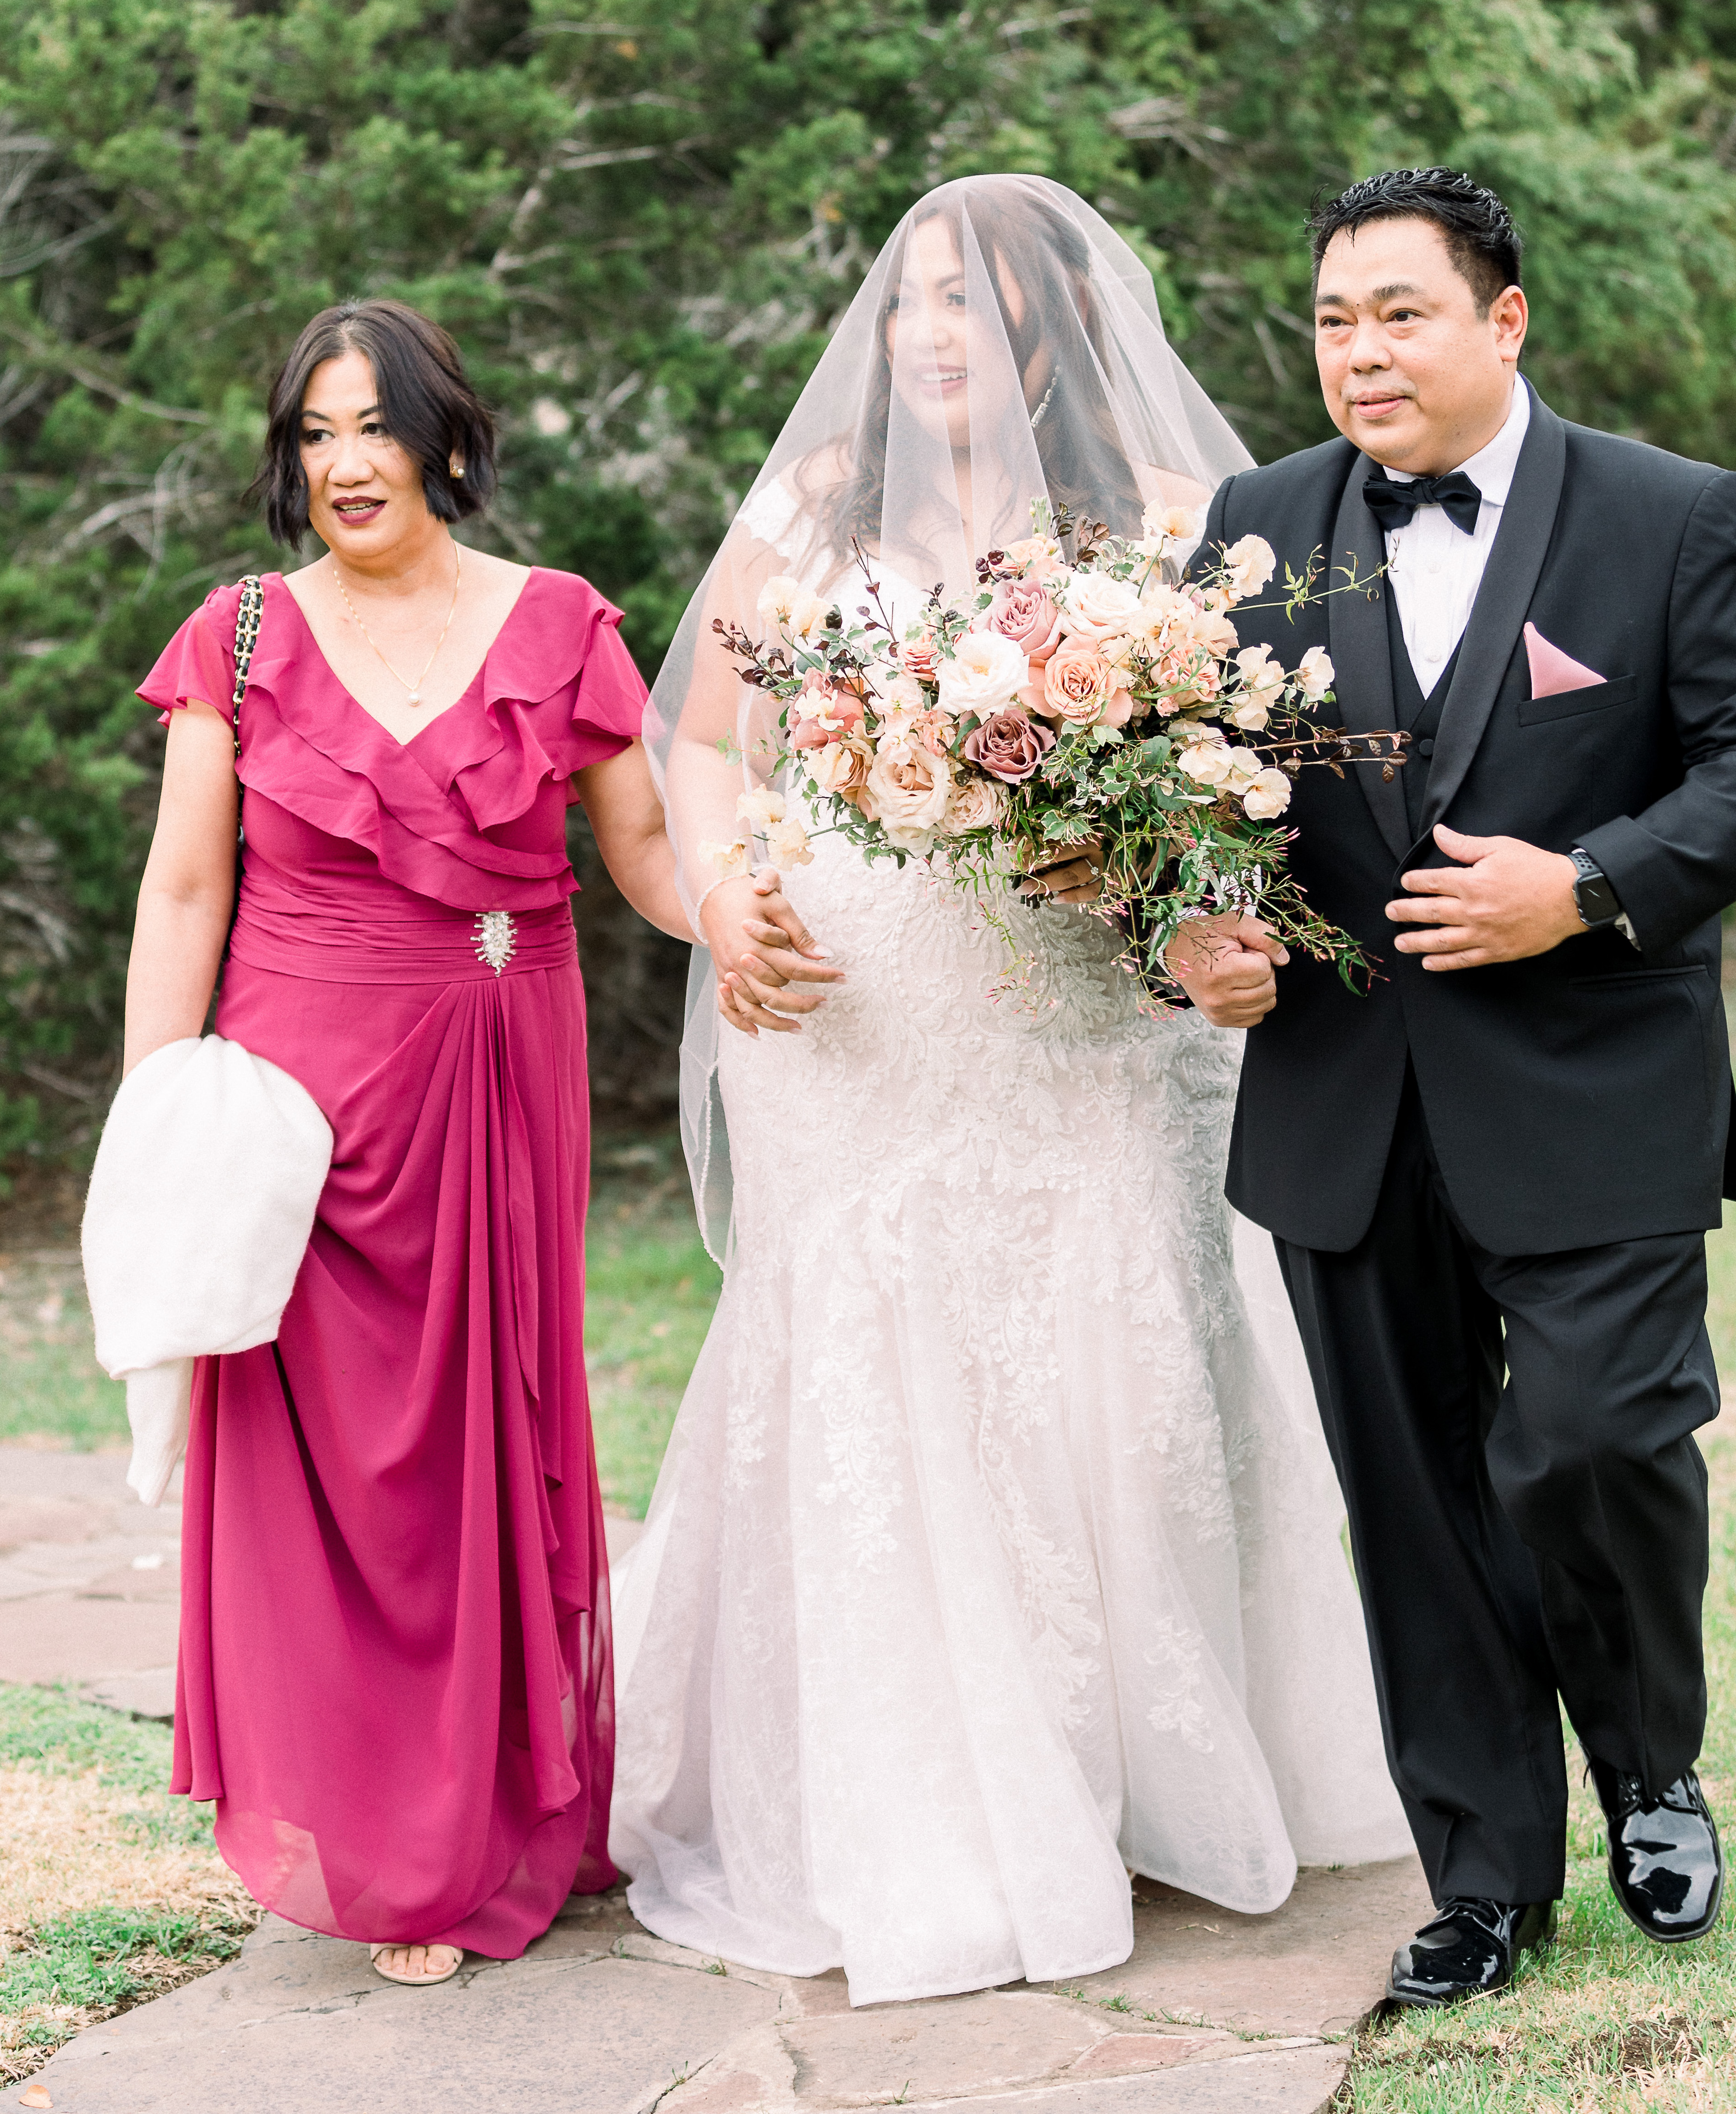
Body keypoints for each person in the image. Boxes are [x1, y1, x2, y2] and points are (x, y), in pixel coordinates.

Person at [608, 173, 1412, 2010]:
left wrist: (1155, 882)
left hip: (1080, 1016)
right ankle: (926, 1808)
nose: (935, 333)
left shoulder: (1163, 526)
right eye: (911, 303)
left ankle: (1137, 1769)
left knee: (1114, 1356)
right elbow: (700, 746)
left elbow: (1246, 782)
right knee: (887, 1368)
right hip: (853, 1022)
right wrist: (726, 897)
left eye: (972, 301)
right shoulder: (808, 515)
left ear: (1055, 324)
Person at [1178, 168, 1736, 2005]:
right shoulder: (1251, 529)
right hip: (1338, 1103)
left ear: (1504, 321)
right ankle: (1481, 1880)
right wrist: (1186, 936)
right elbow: (1170, 801)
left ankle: (1645, 1764)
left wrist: (1592, 885)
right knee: (1409, 1502)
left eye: (1398, 312)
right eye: (1331, 321)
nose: (1360, 352)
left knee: (1595, 1442)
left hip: (1591, 1091)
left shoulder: (1665, 515)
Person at [126, 297, 691, 1986]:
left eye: (375, 426)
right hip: (296, 1101)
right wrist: (161, 1109)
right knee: (324, 1474)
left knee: (484, 1438)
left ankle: (502, 1814)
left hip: (500, 1073)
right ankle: (376, 1843)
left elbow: (651, 853)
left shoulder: (561, 622)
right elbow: (184, 885)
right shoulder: (235, 636)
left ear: (445, 436)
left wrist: (769, 926)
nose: (345, 463)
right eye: (314, 433)